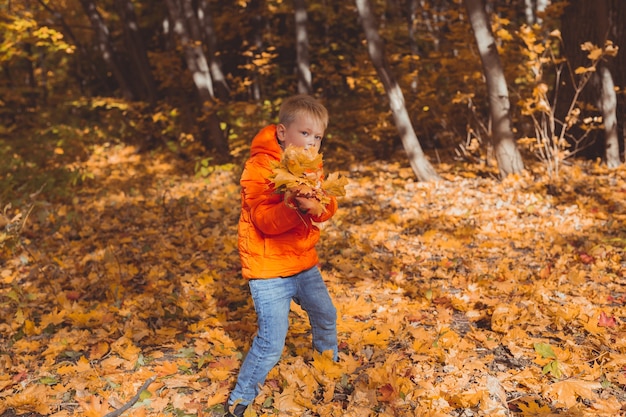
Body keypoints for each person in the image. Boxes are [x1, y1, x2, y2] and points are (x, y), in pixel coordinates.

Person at [225, 95, 339, 417]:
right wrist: (291, 205)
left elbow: (326, 205)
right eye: (305, 134)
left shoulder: (311, 166)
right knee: (271, 343)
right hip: (268, 270)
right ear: (282, 132)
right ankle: (241, 397)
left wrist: (319, 206)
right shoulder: (259, 167)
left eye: (318, 138)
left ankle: (327, 366)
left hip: (303, 263)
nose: (312, 143)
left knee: (326, 315)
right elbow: (264, 219)